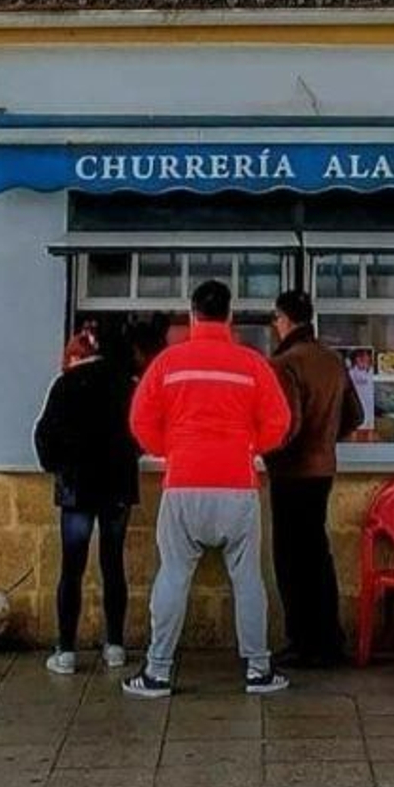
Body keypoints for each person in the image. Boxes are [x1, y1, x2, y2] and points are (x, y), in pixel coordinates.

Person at [124, 278, 294, 698]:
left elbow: (140, 421)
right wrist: (250, 446)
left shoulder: (168, 363)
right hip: (237, 484)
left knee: (173, 575)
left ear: (193, 314)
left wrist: (169, 449)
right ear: (229, 315)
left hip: (183, 483)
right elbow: (279, 423)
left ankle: (157, 672)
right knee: (248, 579)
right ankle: (258, 670)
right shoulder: (252, 364)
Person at [33, 321, 155, 676]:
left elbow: (44, 434)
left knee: (72, 569)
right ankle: (114, 644)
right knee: (112, 564)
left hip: (77, 487)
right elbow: (142, 433)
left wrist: (58, 466)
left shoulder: (66, 384)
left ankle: (66, 650)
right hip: (116, 485)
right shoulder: (128, 386)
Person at [266, 288, 364, 668]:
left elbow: (286, 425)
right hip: (323, 470)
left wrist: (263, 449)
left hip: (291, 471)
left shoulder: (285, 363)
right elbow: (355, 416)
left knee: (290, 558)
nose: (275, 326)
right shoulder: (332, 360)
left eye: (276, 319)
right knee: (318, 555)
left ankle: (301, 641)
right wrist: (326, 439)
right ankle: (329, 639)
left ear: (285, 319)